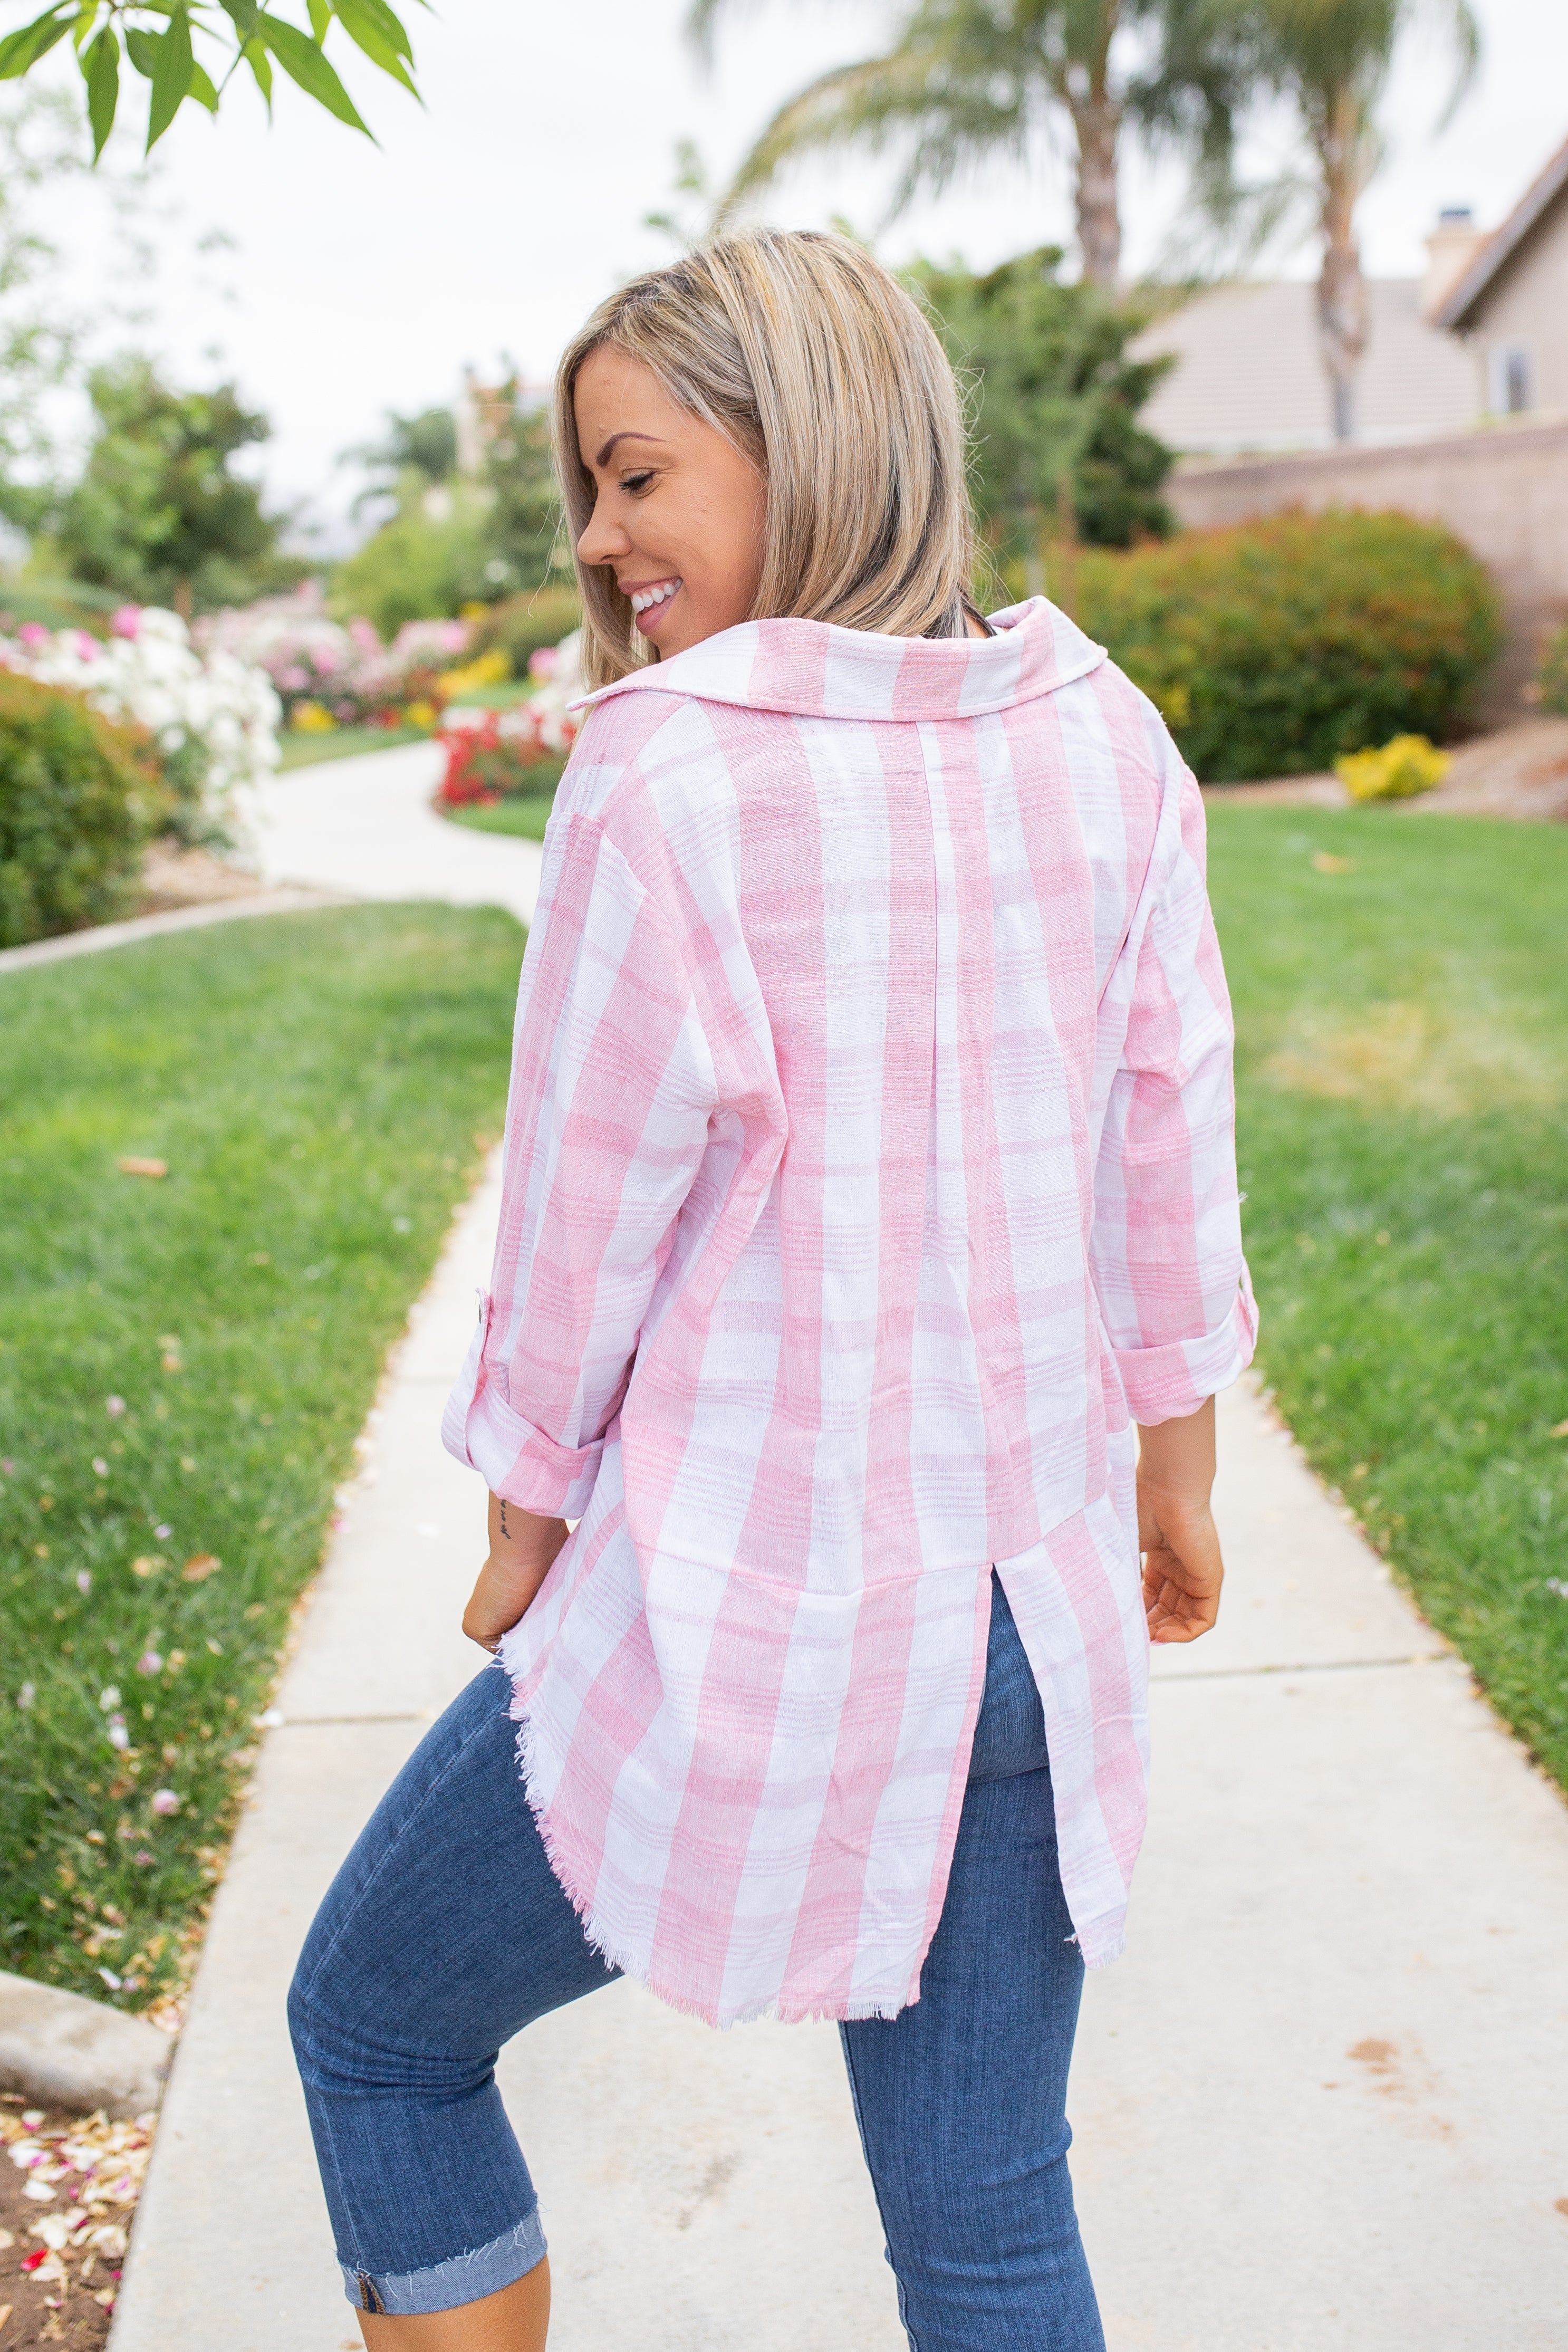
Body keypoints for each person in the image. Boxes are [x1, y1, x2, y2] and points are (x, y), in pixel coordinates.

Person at [290, 227, 1256, 2352]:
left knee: (370, 2023)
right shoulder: (1106, 734)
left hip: (760, 1622)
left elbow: (582, 1211)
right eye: (591, 483)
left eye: (634, 472)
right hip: (1028, 1628)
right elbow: (1169, 1138)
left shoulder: (669, 767)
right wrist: (1173, 1471)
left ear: (796, 435)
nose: (595, 527)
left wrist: (528, 1518)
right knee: (989, 2227)